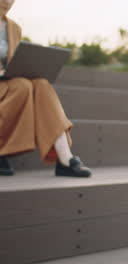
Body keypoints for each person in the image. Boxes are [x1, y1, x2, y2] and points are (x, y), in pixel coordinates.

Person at [0, 0, 91, 177]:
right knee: (23, 86)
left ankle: (65, 157)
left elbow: (14, 60)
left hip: (8, 81)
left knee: (41, 84)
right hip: (11, 86)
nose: (8, 1)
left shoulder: (14, 28)